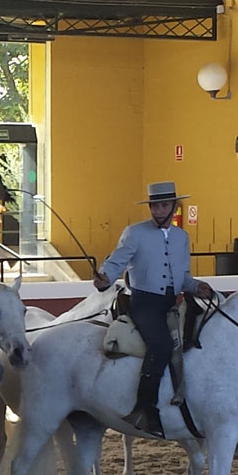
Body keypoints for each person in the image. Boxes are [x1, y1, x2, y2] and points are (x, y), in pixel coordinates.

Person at [93, 181, 214, 439]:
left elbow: (183, 277)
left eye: (164, 205)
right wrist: (105, 277)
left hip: (173, 303)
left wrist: (196, 287)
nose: (159, 211)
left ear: (173, 207)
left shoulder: (182, 237)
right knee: (160, 346)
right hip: (144, 303)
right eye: (155, 206)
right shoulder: (134, 233)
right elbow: (117, 261)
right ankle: (143, 409)